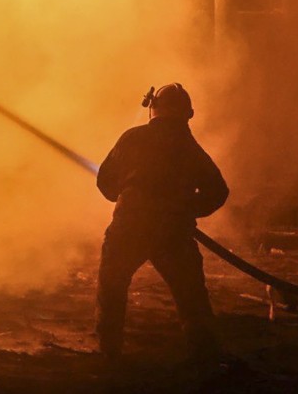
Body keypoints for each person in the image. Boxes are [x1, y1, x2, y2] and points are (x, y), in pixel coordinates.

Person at [95, 83, 229, 362]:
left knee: (112, 285)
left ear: (152, 109)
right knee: (190, 294)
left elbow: (105, 181)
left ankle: (110, 353)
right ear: (188, 114)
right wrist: (186, 210)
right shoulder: (189, 148)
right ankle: (205, 356)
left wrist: (128, 197)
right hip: (173, 232)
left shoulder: (132, 138)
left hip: (130, 225)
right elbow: (218, 191)